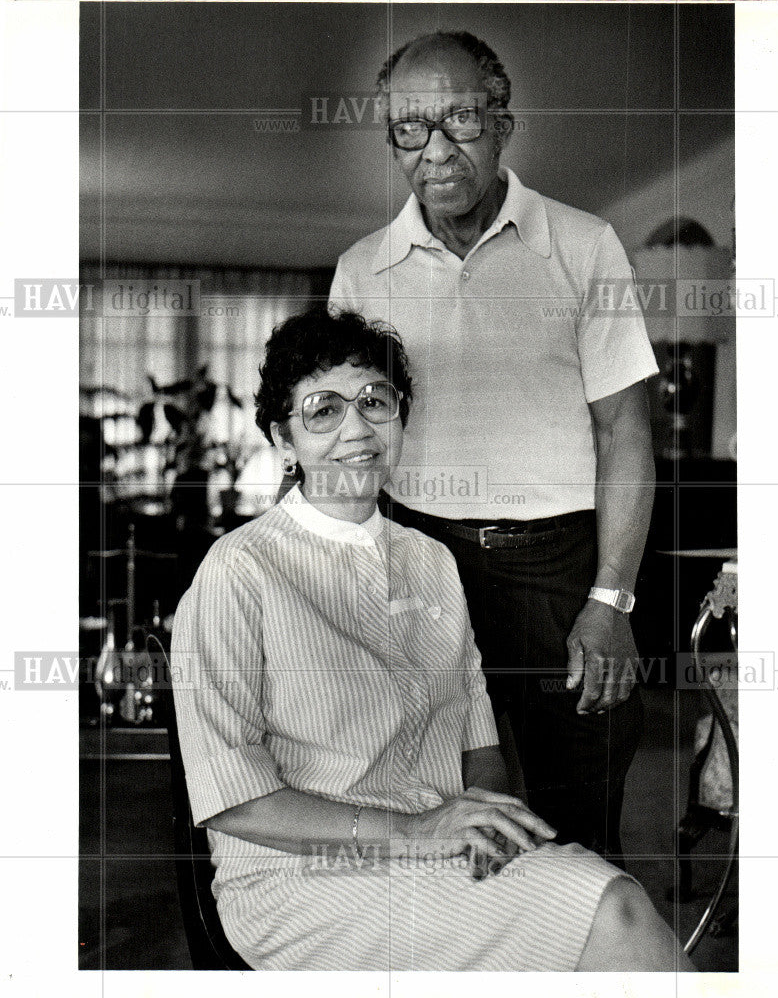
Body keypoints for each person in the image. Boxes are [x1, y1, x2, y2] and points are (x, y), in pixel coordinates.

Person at [170, 307, 692, 972]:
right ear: (283, 438)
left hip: (437, 851)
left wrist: (481, 819)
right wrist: (418, 831)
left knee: (603, 902)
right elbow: (234, 799)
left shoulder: (430, 560)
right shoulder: (238, 571)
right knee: (612, 909)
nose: (356, 428)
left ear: (401, 419)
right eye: (322, 411)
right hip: (304, 879)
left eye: (374, 402)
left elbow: (479, 745)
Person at [329, 31, 659, 859]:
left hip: (557, 571)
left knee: (577, 829)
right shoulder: (361, 269)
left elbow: (625, 430)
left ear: (501, 119)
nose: (435, 152)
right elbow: (342, 445)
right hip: (417, 560)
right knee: (438, 818)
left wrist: (609, 600)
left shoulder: (583, 245)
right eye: (409, 129)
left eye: (460, 121)